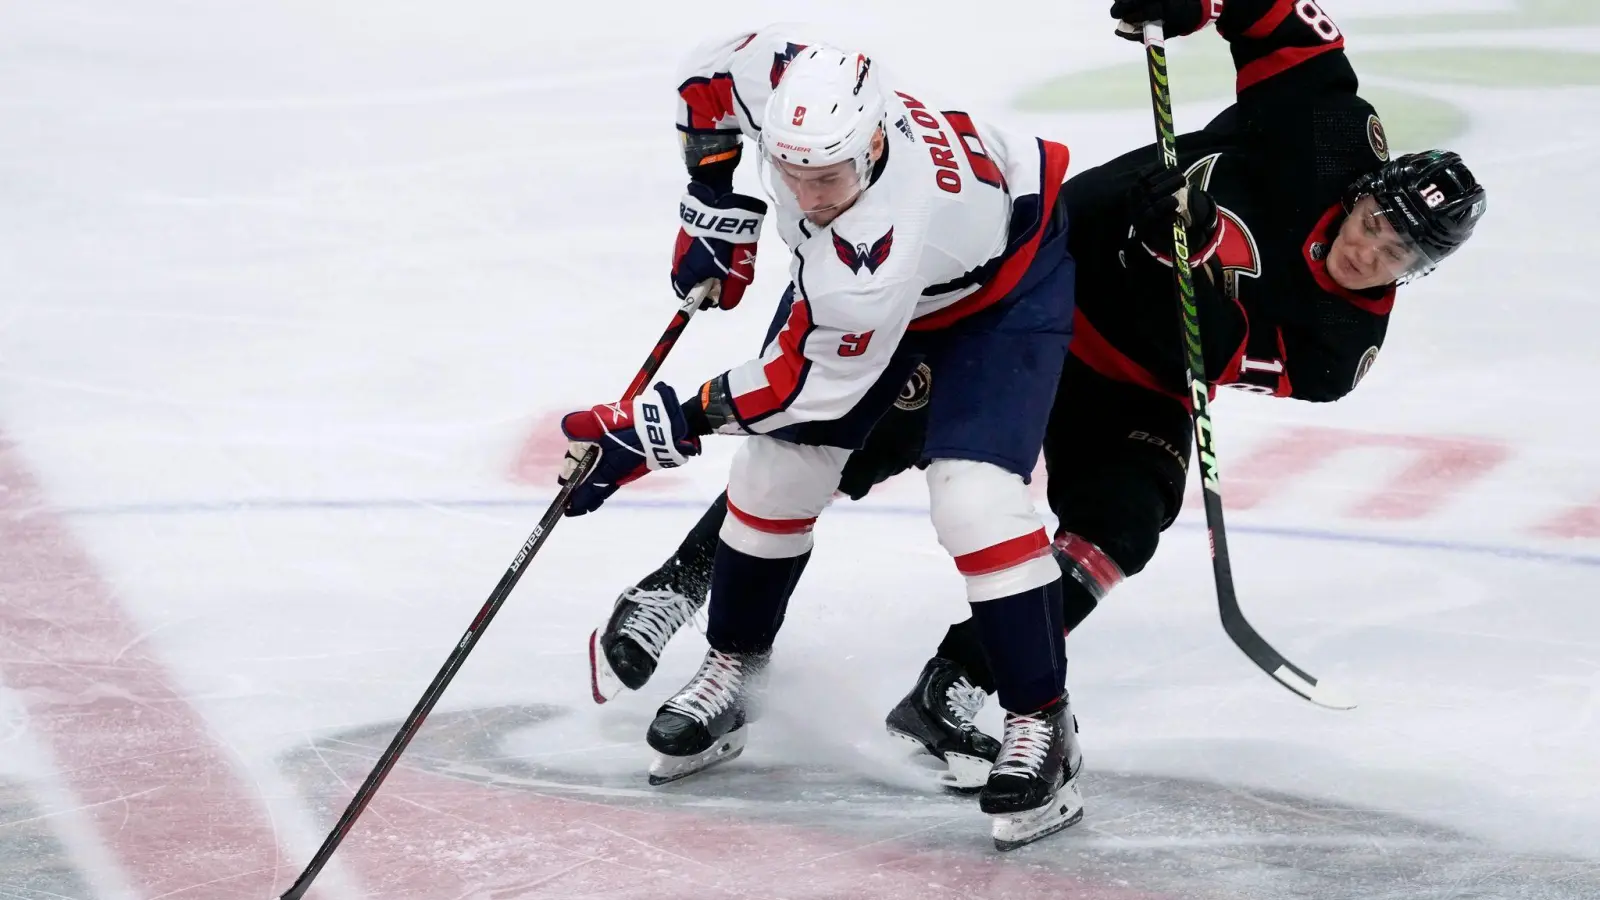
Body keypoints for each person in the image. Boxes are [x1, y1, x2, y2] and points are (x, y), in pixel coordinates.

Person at [584, 0, 1487, 796]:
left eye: (1399, 255)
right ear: (1367, 186)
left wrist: (1186, 248)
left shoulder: (1343, 349)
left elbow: (1207, 350)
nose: (1370, 253)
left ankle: (959, 686)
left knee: (1120, 527)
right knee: (839, 435)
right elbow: (1279, 19)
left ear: (1424, 271)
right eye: (1376, 223)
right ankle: (680, 585)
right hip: (1041, 289)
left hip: (1135, 383)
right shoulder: (1329, 130)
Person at [557, 27, 1082, 849]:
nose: (804, 196)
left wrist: (657, 429)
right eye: (789, 173)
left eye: (826, 178)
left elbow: (800, 390)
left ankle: (1044, 724)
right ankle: (734, 667)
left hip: (1001, 293)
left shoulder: (873, 247)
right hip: (901, 286)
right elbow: (709, 74)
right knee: (774, 476)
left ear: (874, 145)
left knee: (974, 502)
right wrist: (717, 196)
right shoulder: (796, 91)